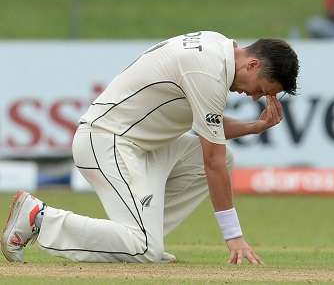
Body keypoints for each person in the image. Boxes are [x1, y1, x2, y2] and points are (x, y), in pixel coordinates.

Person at [2, 32, 299, 264]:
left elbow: (209, 129)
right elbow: (214, 161)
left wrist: (254, 127)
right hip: (108, 141)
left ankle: (145, 239)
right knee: (145, 248)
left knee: (203, 160)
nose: (253, 97)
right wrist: (233, 236)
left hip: (140, 146)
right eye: (261, 89)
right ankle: (39, 218)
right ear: (253, 64)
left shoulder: (215, 48)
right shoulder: (208, 72)